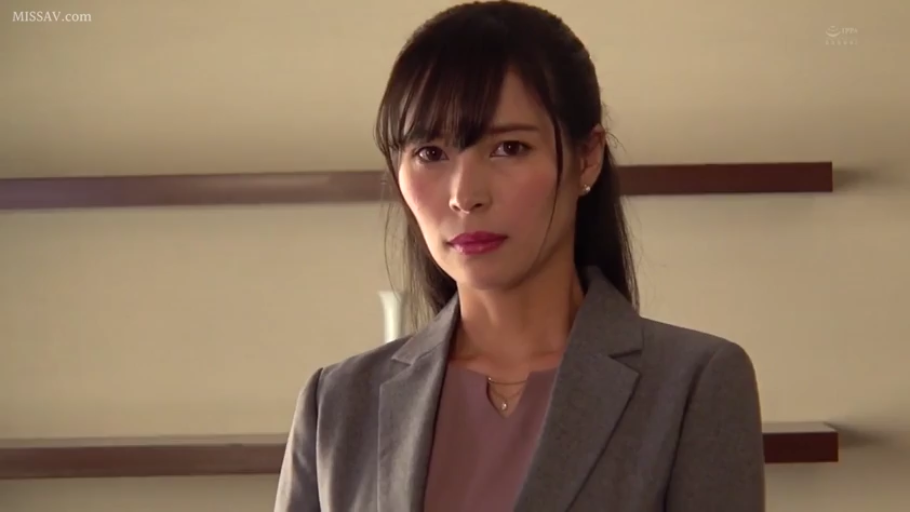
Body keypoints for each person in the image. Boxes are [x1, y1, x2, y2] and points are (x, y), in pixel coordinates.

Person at [273, 1, 766, 511]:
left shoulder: (693, 384)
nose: (465, 195)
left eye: (508, 148)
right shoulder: (338, 402)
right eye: (430, 154)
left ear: (587, 157)